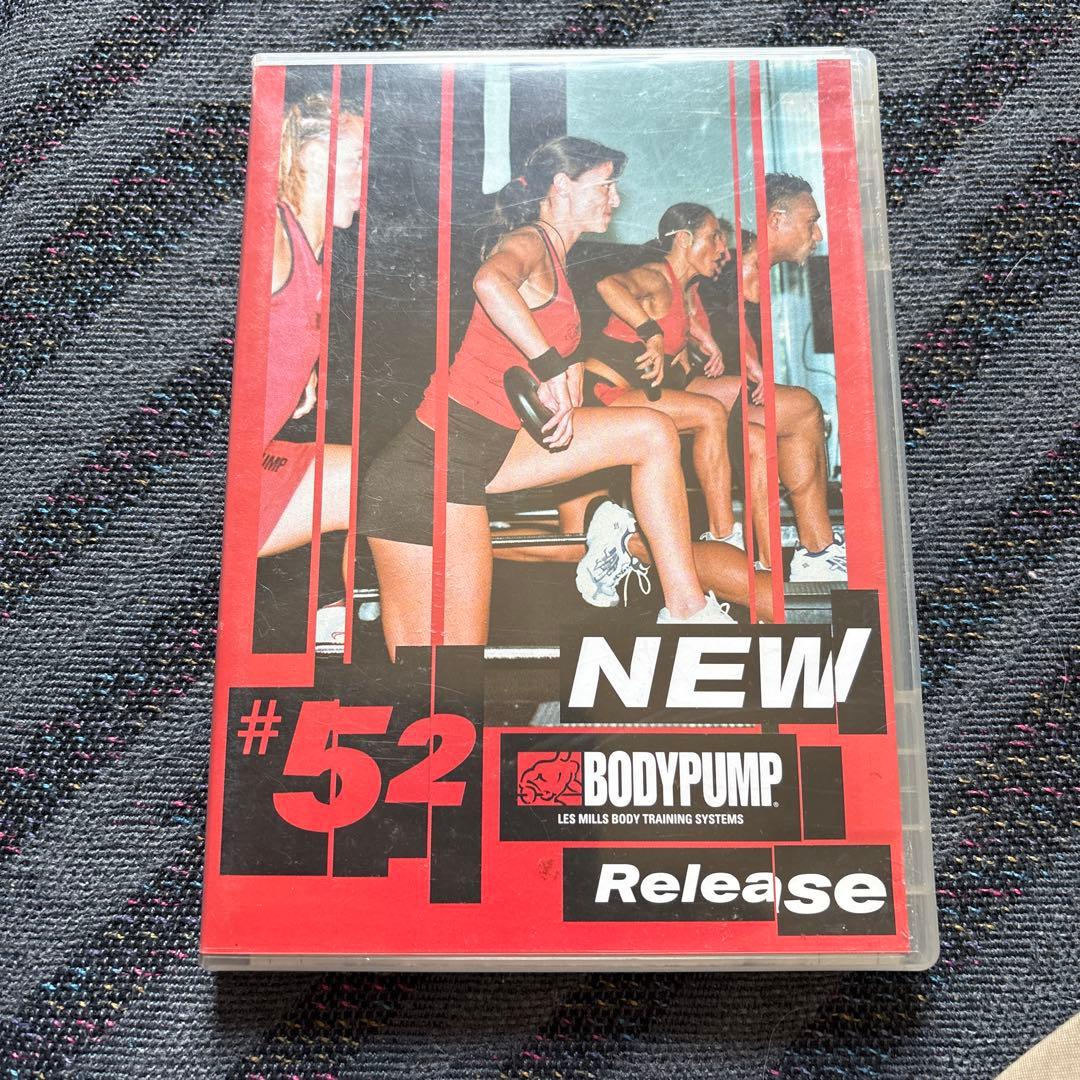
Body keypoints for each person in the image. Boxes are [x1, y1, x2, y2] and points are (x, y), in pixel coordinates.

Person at [359, 136, 734, 659]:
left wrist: (580, 369)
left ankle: (686, 609)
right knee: (445, 674)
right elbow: (490, 282)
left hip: (488, 454)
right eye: (605, 186)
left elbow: (554, 379)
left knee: (652, 432)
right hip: (427, 471)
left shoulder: (559, 262)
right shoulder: (530, 241)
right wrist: (550, 363)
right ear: (561, 185)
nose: (615, 199)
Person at [693, 173, 846, 581]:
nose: (817, 234)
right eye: (811, 222)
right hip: (696, 402)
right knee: (803, 407)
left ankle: (817, 550)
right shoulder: (725, 269)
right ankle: (818, 550)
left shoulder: (753, 273)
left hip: (731, 403)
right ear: (776, 220)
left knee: (799, 413)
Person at [256, 94, 366, 641]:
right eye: (358, 160)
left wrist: (305, 368)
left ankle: (340, 625)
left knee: (382, 486)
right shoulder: (270, 236)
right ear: (314, 157)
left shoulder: (305, 244)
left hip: (251, 465)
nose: (366, 178)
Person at [581, 203, 739, 549]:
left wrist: (704, 340)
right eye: (714, 237)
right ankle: (725, 536)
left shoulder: (683, 289)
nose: (722, 249)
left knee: (738, 396)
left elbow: (679, 324)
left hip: (629, 395)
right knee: (710, 412)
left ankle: (734, 530)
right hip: (601, 393)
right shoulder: (656, 275)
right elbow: (608, 285)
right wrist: (650, 332)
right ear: (684, 239)